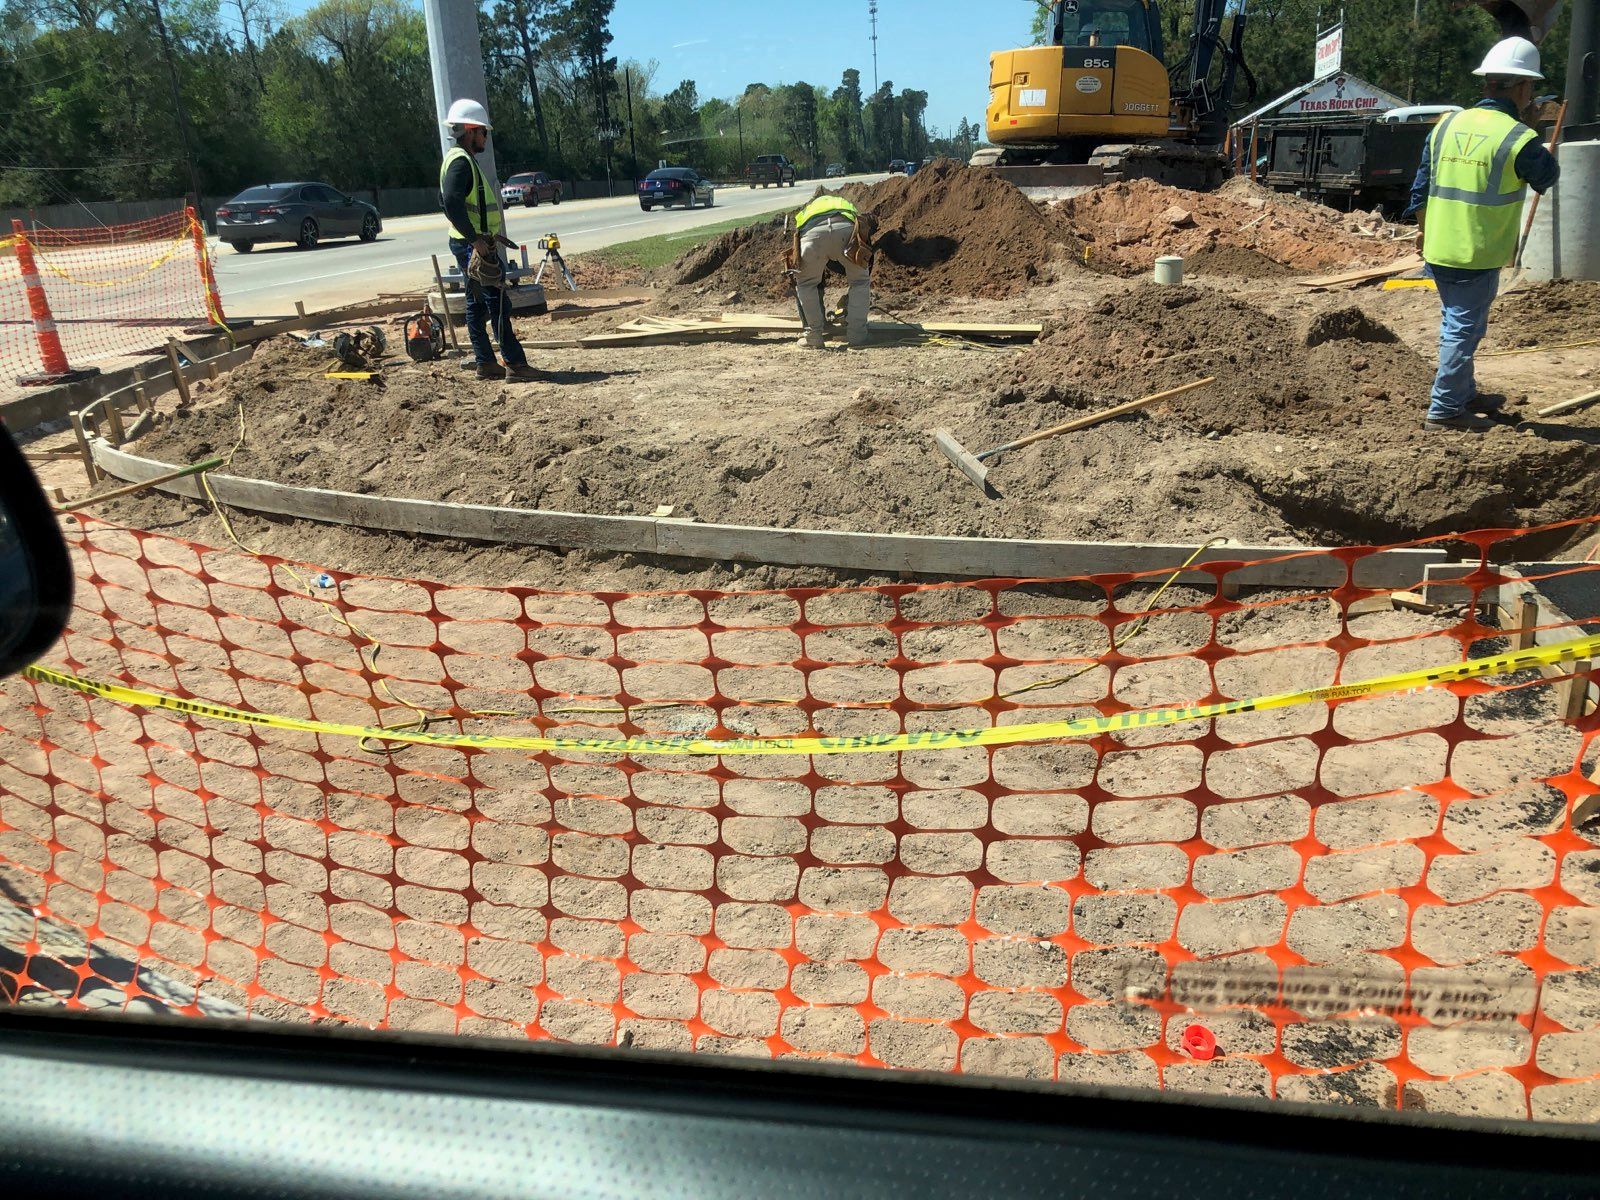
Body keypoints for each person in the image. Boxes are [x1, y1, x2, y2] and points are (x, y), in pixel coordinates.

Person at [1406, 36, 1559, 432]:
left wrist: (1423, 233)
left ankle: (1464, 391)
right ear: (1524, 88)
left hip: (1440, 247)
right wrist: (1533, 131)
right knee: (1463, 327)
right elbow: (1547, 177)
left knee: (1458, 321)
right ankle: (1444, 409)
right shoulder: (1517, 137)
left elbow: (1420, 187)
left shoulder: (1447, 124)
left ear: (1487, 83)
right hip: (1476, 250)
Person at [439, 97, 537, 382]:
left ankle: (485, 362)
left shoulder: (459, 160)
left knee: (477, 305)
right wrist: (475, 240)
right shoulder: (460, 162)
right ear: (470, 129)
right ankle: (516, 366)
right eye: (484, 132)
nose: (486, 137)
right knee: (497, 304)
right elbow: (451, 201)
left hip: (469, 244)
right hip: (475, 247)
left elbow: (445, 201)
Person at [788, 193, 874, 350]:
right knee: (860, 282)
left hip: (812, 235)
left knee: (806, 285)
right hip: (845, 230)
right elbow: (862, 229)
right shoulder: (844, 204)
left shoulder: (808, 210)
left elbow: (798, 234)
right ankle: (857, 335)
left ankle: (814, 336)